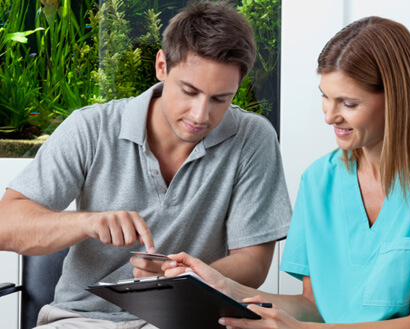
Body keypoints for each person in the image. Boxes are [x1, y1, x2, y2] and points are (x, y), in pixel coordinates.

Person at [162, 16, 410, 329]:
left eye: (348, 103)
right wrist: (222, 286)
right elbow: (314, 308)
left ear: (396, 99)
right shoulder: (319, 180)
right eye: (325, 97)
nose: (330, 116)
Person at [0, 1, 291, 327]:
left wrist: (190, 275)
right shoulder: (91, 127)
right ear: (162, 66)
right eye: (189, 91)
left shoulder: (254, 138)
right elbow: (5, 225)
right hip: (82, 319)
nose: (200, 115)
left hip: (186, 320)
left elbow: (254, 261)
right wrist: (87, 223)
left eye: (220, 99)